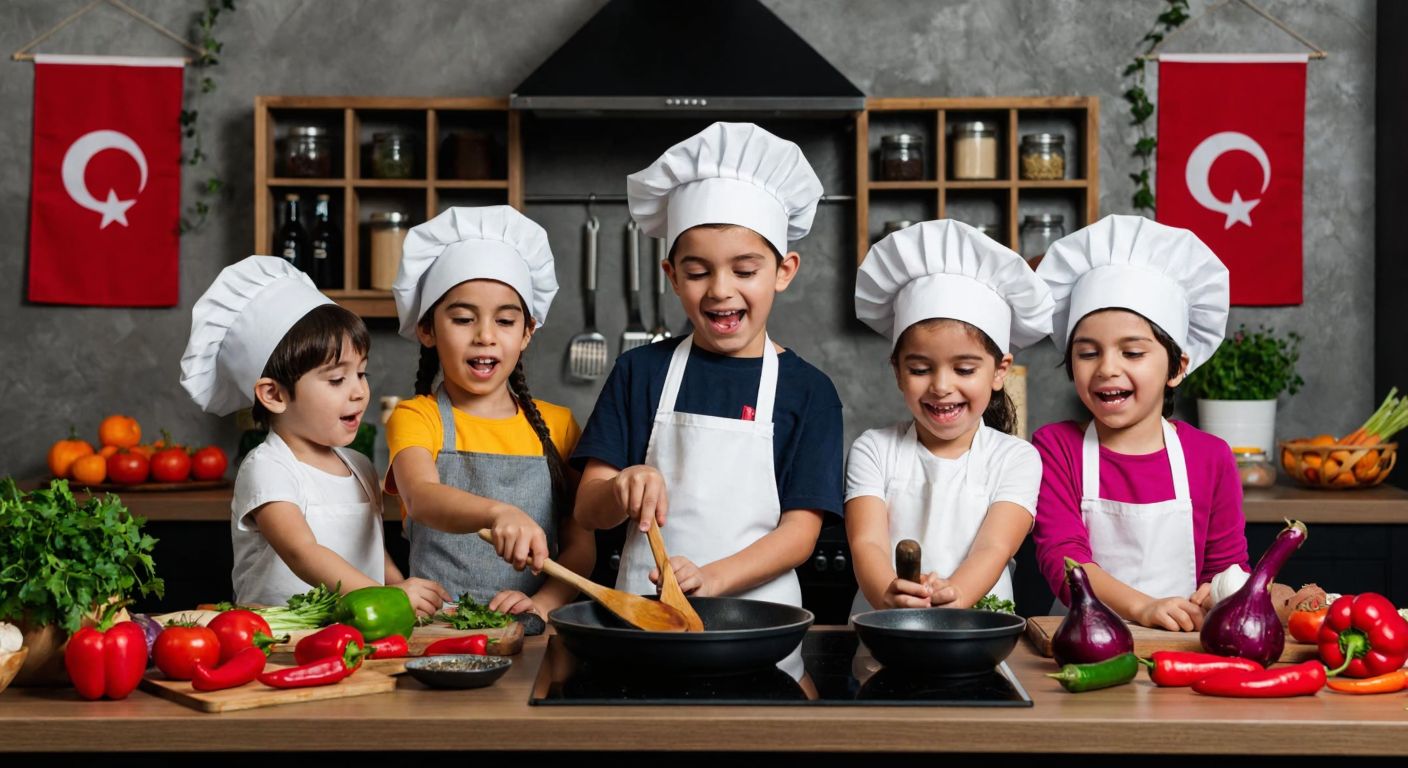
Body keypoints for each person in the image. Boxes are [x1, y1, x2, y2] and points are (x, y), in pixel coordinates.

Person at [572, 122, 843, 678]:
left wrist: (712, 579)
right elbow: (587, 508)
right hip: (643, 627)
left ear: (783, 272)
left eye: (745, 270)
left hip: (760, 630)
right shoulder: (638, 372)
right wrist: (620, 488)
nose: (720, 289)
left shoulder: (808, 391)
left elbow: (800, 533)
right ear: (672, 276)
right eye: (698, 272)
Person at [180, 256, 448, 614]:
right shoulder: (269, 468)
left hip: (356, 630)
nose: (358, 392)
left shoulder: (360, 465)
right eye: (337, 379)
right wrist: (389, 597)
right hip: (280, 644)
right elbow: (301, 551)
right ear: (274, 395)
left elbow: (370, 546)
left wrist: (396, 585)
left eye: (361, 374)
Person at [1032, 214, 1248, 631]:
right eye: (1088, 352)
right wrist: (1144, 607)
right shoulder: (1056, 448)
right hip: (1082, 641)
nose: (1107, 369)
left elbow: (1227, 569)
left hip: (1181, 645)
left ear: (1177, 368)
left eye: (1132, 353)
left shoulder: (1210, 457)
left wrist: (1217, 591)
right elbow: (1063, 560)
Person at [386, 206, 593, 620]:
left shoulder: (557, 426)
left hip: (531, 631)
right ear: (428, 330)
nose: (485, 336)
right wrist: (498, 512)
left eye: (504, 320)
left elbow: (581, 545)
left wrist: (543, 604)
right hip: (435, 629)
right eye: (463, 319)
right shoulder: (416, 417)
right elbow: (421, 497)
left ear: (527, 332)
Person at [847, 219, 1054, 615]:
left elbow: (994, 546)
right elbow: (866, 543)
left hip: (980, 628)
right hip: (882, 628)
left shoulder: (1016, 458)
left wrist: (956, 594)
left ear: (999, 371)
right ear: (896, 370)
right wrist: (887, 593)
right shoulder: (873, 449)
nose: (941, 386)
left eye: (964, 369)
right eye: (921, 369)